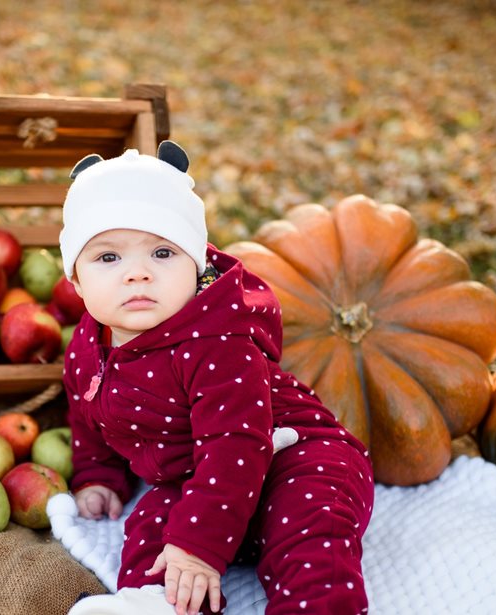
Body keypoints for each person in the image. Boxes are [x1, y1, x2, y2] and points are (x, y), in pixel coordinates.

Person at [60, 141, 374, 615]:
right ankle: (159, 604)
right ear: (76, 281)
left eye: (163, 253)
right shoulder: (87, 347)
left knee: (310, 530)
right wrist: (98, 475)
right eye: (108, 258)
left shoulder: (217, 341)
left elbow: (236, 444)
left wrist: (199, 543)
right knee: (151, 529)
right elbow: (87, 410)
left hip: (293, 455)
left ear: (198, 265)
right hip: (197, 478)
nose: (138, 274)